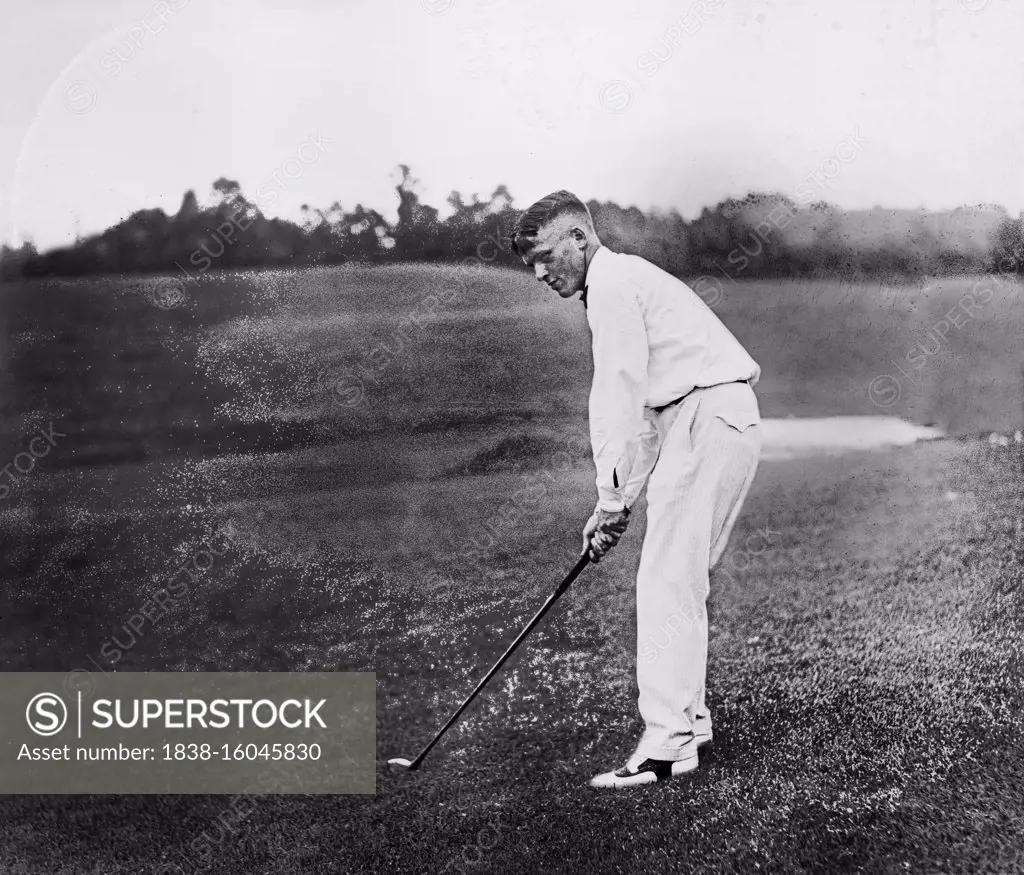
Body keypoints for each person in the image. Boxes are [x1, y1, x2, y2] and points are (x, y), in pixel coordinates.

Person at [511, 190, 763, 789]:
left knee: (666, 582)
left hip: (709, 415)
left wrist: (611, 499)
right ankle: (689, 722)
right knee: (681, 579)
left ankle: (667, 748)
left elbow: (618, 397)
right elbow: (648, 422)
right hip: (718, 416)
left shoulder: (613, 285)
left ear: (579, 237)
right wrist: (616, 505)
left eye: (548, 256)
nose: (543, 274)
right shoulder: (621, 282)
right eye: (532, 266)